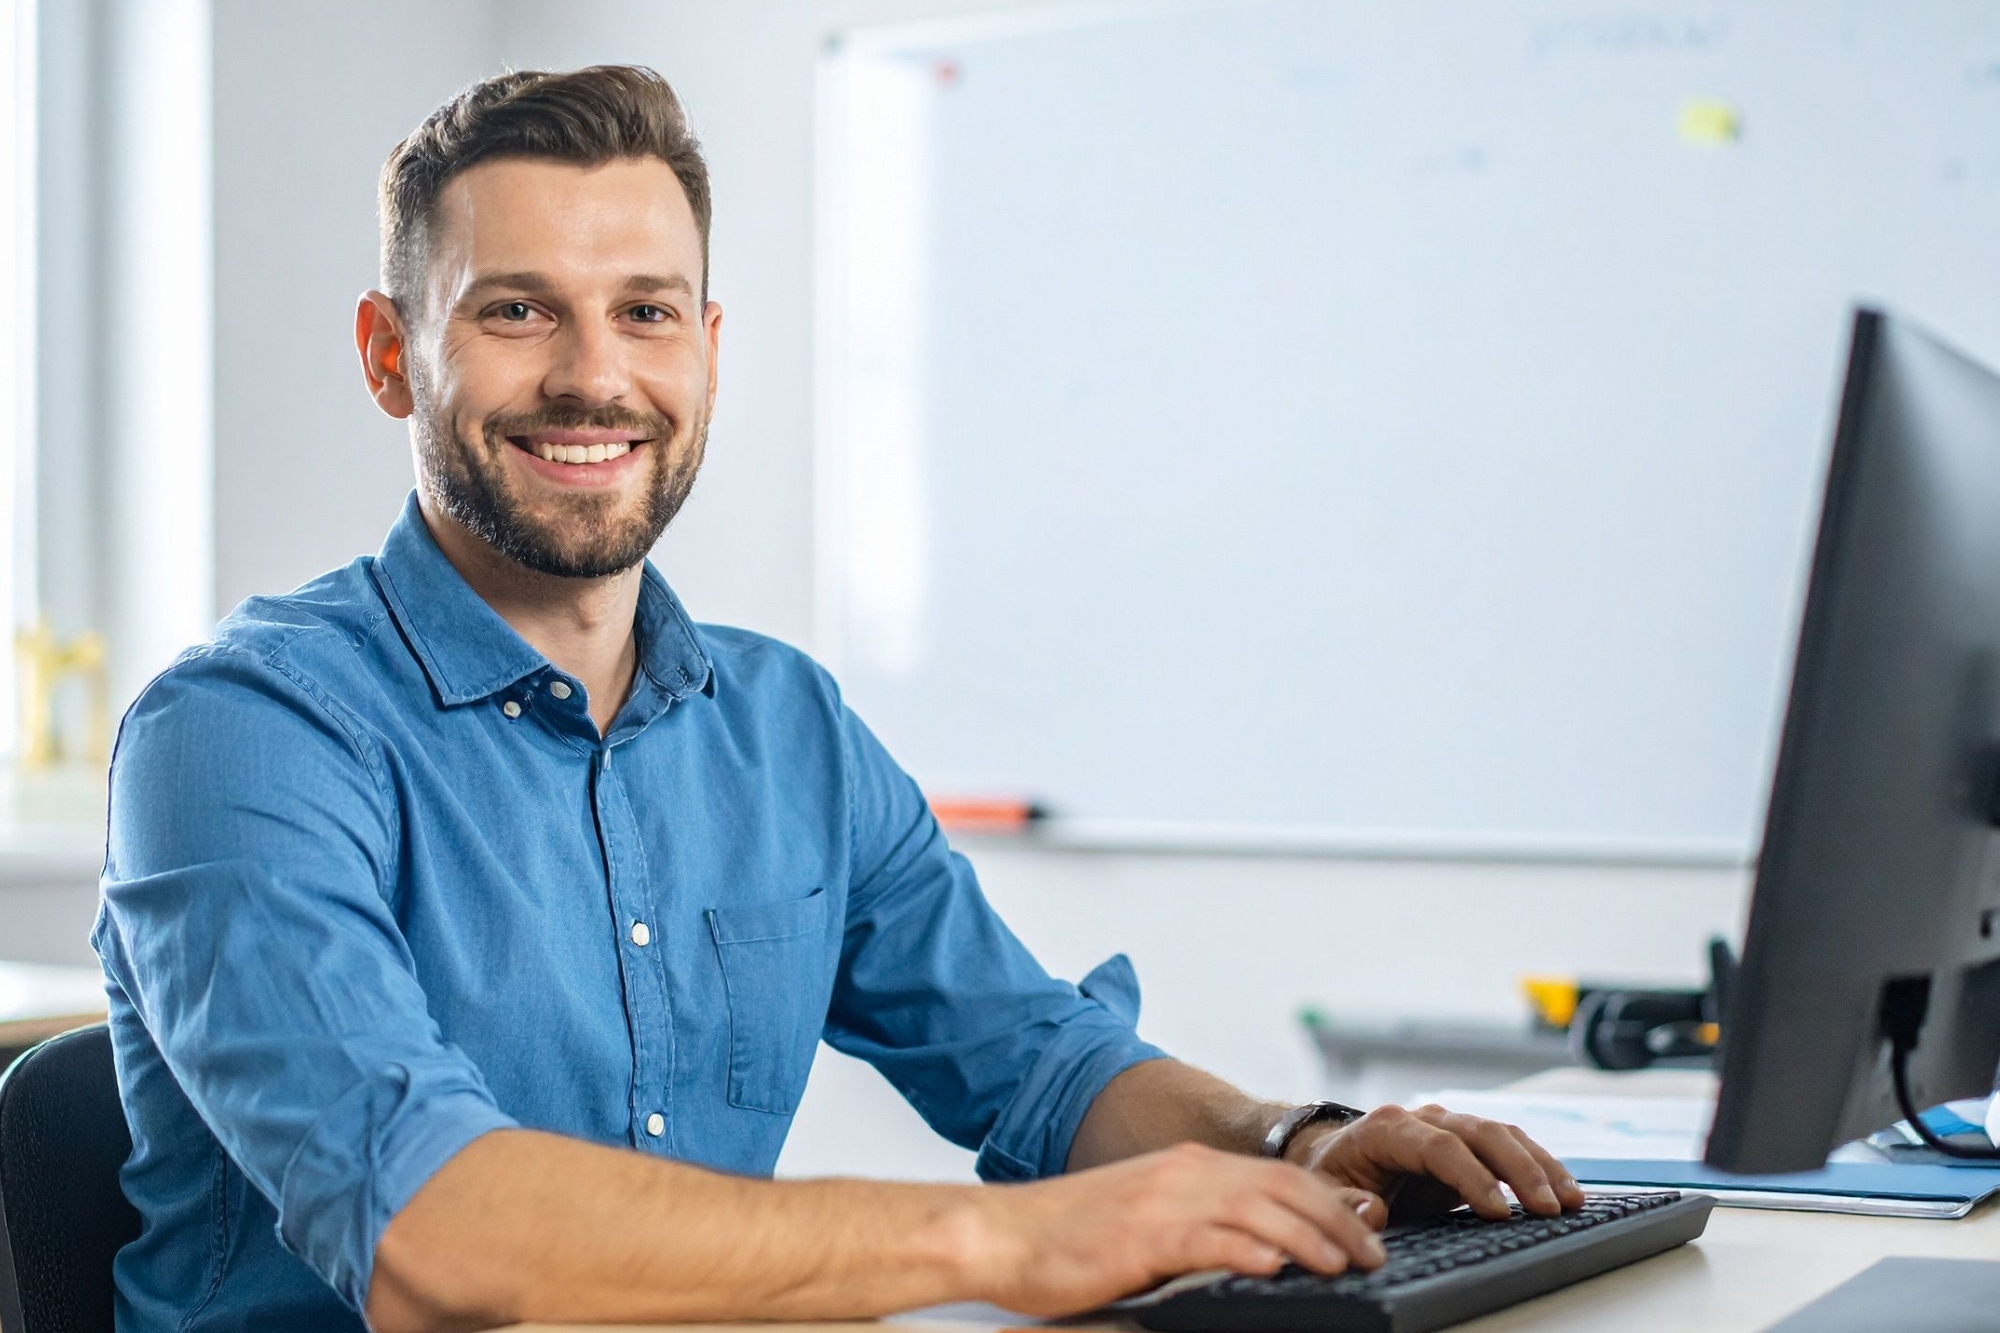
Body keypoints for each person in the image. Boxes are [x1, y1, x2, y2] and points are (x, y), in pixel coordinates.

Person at [93, 65, 1585, 1333]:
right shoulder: (242, 736)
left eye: (648, 312)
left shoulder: (783, 728)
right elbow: (436, 1235)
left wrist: (1293, 1139)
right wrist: (1006, 1243)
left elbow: (1045, 1066)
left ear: (710, 353)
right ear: (388, 356)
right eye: (518, 313)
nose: (595, 376)